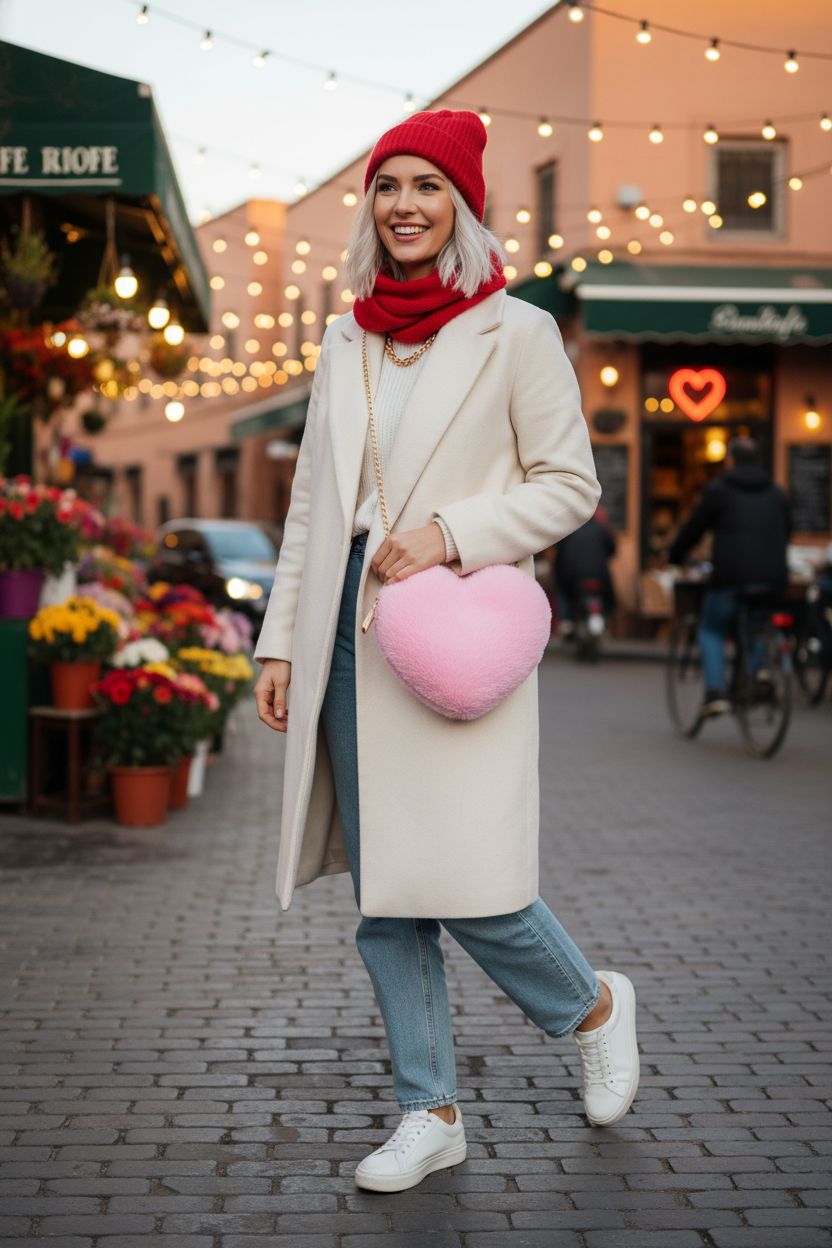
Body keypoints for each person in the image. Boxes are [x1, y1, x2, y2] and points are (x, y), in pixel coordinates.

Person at [253, 109, 640, 1193]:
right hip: (343, 628)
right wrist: (279, 643)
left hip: (451, 629)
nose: (405, 205)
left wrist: (451, 535)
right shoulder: (344, 338)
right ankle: (429, 1110)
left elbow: (570, 486)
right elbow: (309, 509)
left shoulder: (516, 332)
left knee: (473, 881)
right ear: (369, 207)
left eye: (427, 186)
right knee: (388, 896)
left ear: (461, 205)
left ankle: (592, 1005)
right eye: (388, 186)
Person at [667, 435, 790, 715]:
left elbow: (694, 528)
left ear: (730, 461)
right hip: (773, 576)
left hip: (731, 576)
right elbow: (788, 531)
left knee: (711, 629)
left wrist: (676, 554)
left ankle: (715, 692)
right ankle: (759, 673)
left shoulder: (720, 489)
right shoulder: (776, 491)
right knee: (756, 622)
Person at [552, 503, 616, 636]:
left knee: (564, 591)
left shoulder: (567, 530)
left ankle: (566, 621)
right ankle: (607, 622)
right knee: (609, 597)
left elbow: (560, 556)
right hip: (600, 576)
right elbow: (612, 550)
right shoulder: (601, 529)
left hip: (573, 577)